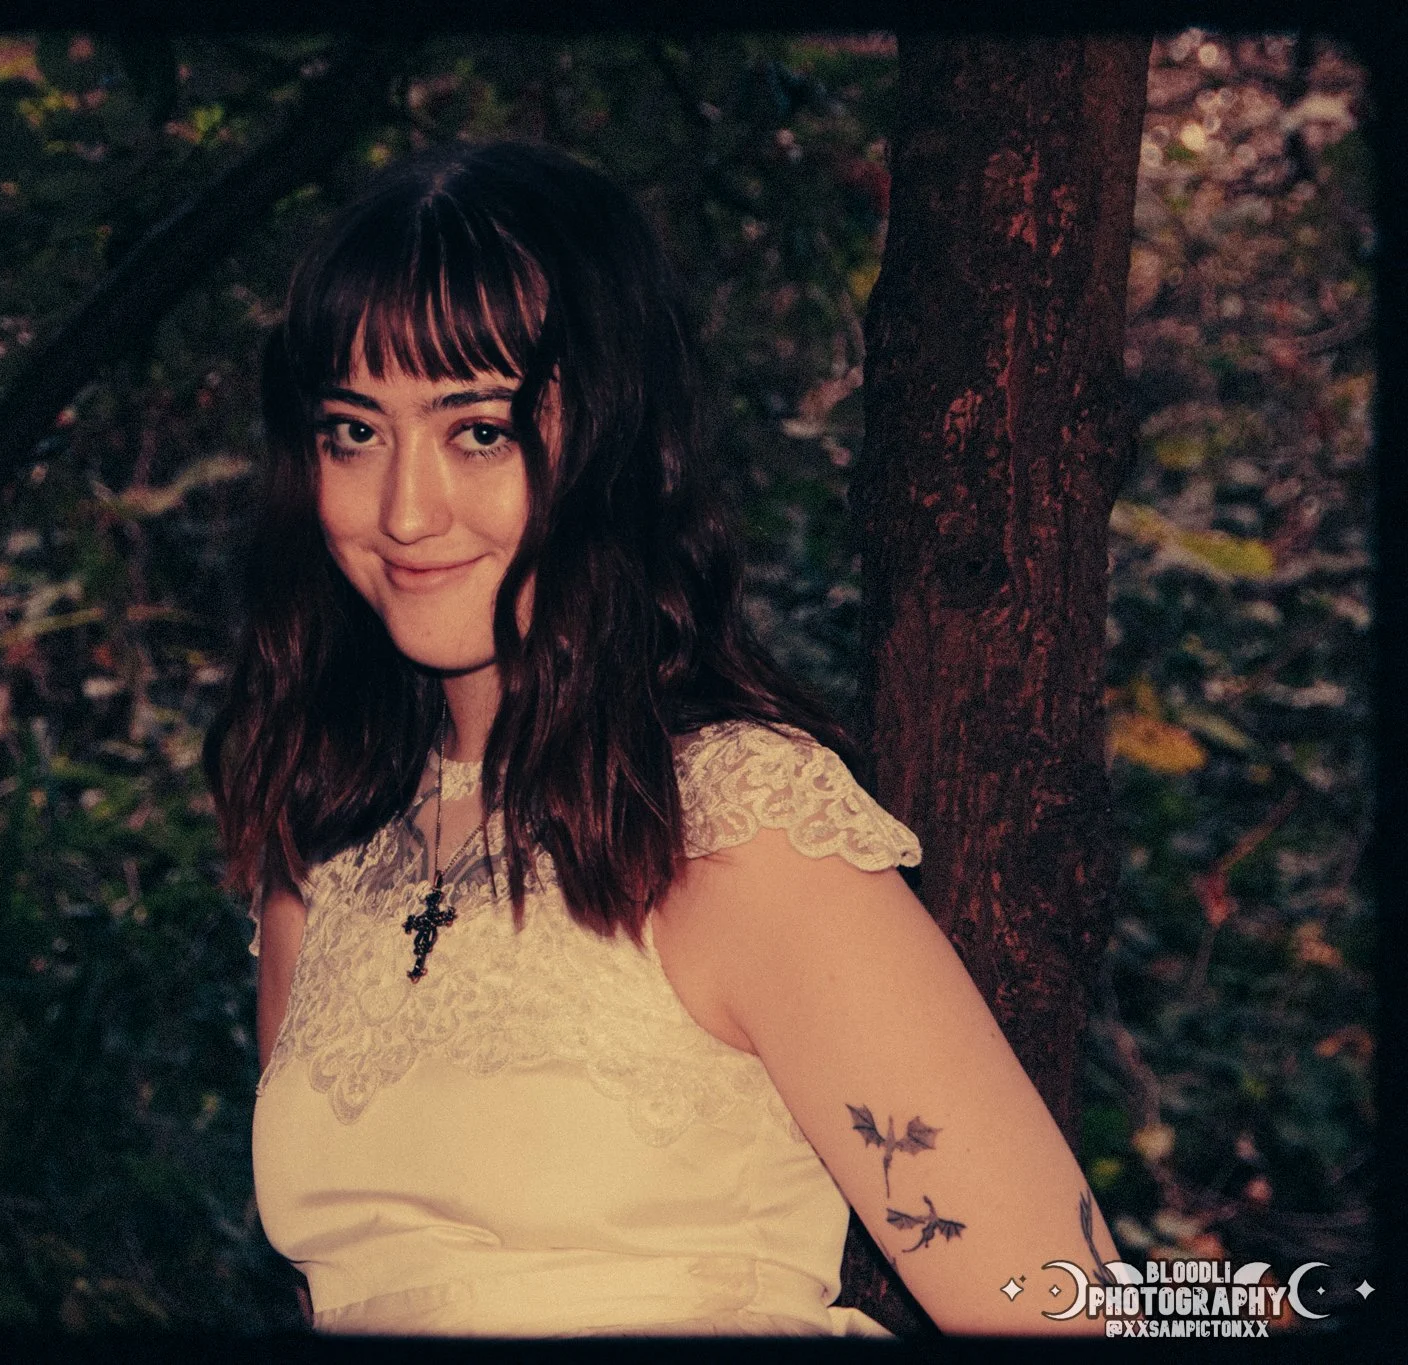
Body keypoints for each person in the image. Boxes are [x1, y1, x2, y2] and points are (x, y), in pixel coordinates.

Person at [204, 140, 1120, 1337]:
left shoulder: (743, 825)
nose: (404, 511)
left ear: (611, 441)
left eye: (478, 430)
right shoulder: (323, 853)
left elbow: (1061, 1304)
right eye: (353, 432)